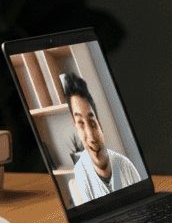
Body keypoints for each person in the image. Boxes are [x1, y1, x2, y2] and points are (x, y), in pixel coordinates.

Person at [60, 72, 141, 201]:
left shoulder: (126, 165)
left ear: (100, 125)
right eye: (81, 123)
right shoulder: (81, 174)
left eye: (93, 123)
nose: (91, 137)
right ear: (75, 126)